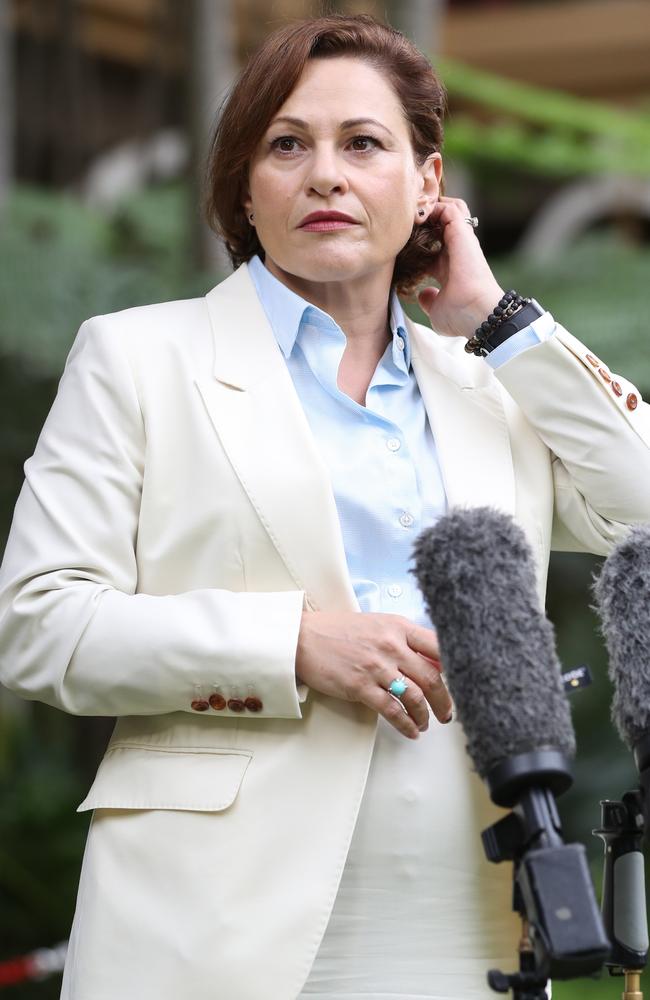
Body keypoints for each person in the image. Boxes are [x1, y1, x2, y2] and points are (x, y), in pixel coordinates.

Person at [1, 13, 649, 1000]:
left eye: (363, 143)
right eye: (285, 144)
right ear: (244, 187)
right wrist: (290, 645)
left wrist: (499, 324)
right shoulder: (137, 360)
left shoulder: (490, 383)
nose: (324, 175)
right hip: (206, 914)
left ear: (428, 185)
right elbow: (37, 623)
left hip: (466, 897)